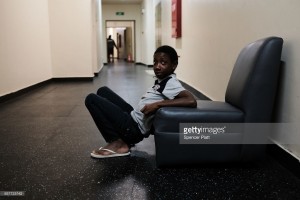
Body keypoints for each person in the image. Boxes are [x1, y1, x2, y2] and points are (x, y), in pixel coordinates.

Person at [85, 45, 197, 158]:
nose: (157, 66)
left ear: (174, 65)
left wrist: (157, 104)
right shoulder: (163, 80)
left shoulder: (171, 82)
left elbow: (191, 100)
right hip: (133, 116)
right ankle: (121, 140)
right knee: (102, 91)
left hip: (133, 128)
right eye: (155, 62)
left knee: (91, 99)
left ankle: (118, 143)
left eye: (163, 63)